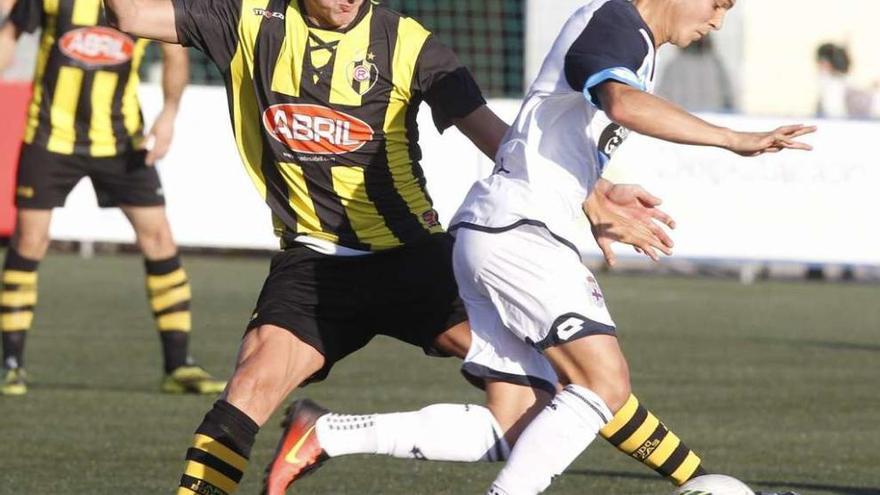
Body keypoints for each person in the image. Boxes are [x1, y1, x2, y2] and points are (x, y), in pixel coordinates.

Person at [102, 0, 695, 493]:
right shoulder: (249, 21)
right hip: (315, 265)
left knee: (564, 380)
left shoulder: (407, 42)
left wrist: (592, 194)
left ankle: (693, 479)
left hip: (415, 259)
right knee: (249, 387)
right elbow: (127, 13)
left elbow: (490, 129)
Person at [275, 0, 815, 494]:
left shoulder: (631, 42)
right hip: (518, 235)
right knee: (604, 383)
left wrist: (593, 201)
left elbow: (552, 134)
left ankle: (327, 434)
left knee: (516, 421)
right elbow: (622, 104)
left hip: (499, 232)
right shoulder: (618, 22)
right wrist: (733, 139)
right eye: (717, 3)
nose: (717, 20)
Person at [0, 0, 226, 395]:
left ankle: (179, 366)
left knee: (159, 239)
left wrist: (170, 113)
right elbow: (10, 37)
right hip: (50, 136)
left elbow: (174, 52)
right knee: (29, 241)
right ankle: (10, 364)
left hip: (123, 140)